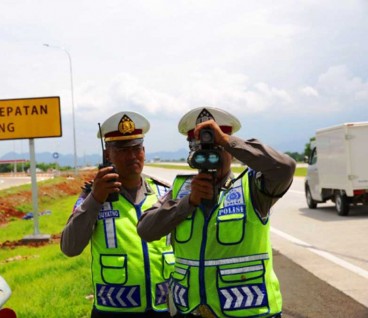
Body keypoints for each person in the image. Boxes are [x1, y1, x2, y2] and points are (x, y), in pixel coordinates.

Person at [137, 107, 296, 318]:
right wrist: (188, 202)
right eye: (200, 149)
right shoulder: (182, 190)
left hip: (248, 312)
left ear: (230, 149)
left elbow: (284, 168)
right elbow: (146, 230)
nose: (210, 156)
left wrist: (227, 141)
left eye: (217, 149)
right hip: (191, 312)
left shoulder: (253, 188)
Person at [60, 111, 175, 318]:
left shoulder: (164, 194)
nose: (132, 156)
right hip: (113, 310)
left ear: (144, 151)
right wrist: (95, 198)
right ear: (107, 155)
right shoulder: (93, 196)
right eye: (122, 150)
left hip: (164, 307)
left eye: (136, 148)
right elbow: (70, 247)